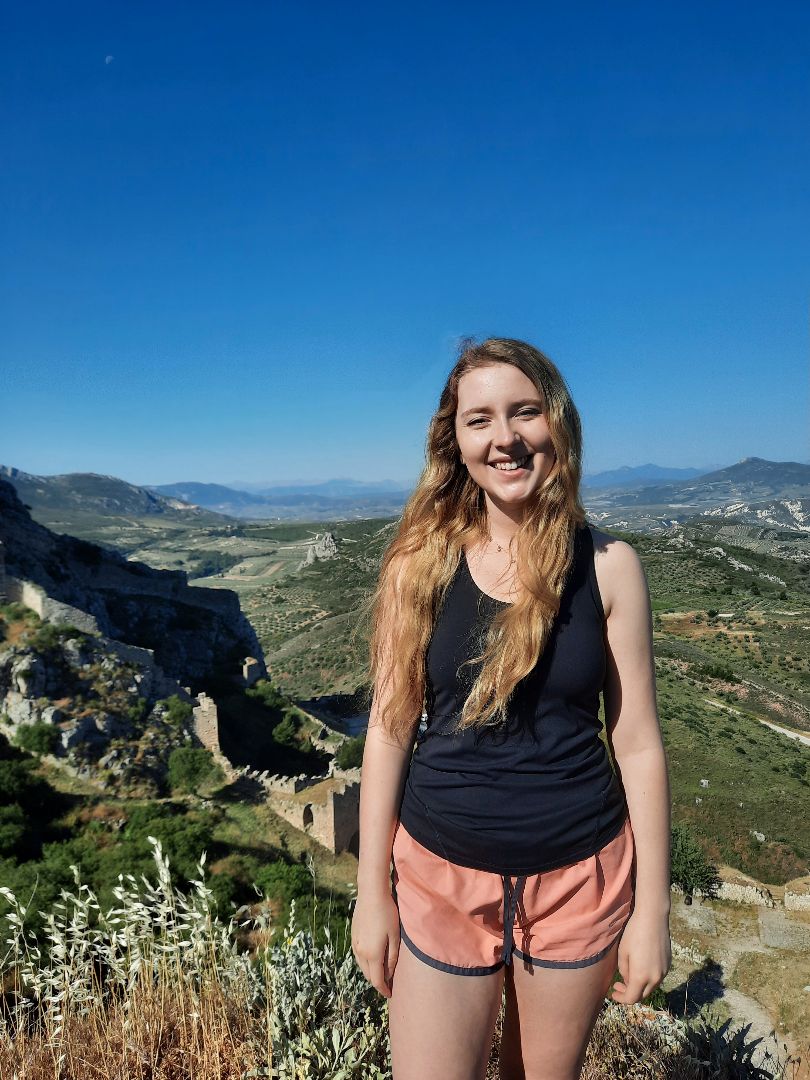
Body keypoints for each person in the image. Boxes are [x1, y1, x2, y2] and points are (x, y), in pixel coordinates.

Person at [351, 338, 672, 1080]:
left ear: (557, 422)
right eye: (480, 419)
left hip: (579, 880)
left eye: (525, 412)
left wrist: (652, 909)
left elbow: (638, 743)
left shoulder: (610, 568)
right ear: (454, 440)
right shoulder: (417, 566)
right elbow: (389, 731)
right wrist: (373, 894)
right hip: (440, 877)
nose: (506, 438)